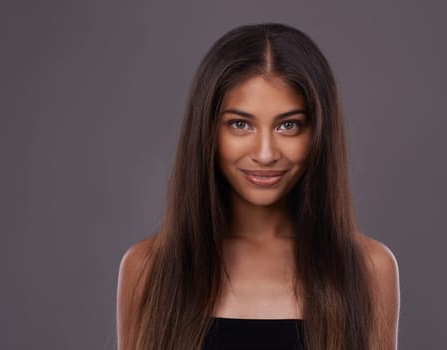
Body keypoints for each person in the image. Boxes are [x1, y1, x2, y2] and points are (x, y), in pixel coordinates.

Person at [116, 23, 400, 350]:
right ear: (207, 130)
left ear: (318, 133)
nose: (265, 154)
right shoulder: (149, 268)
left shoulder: (369, 269)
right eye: (240, 124)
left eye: (288, 125)